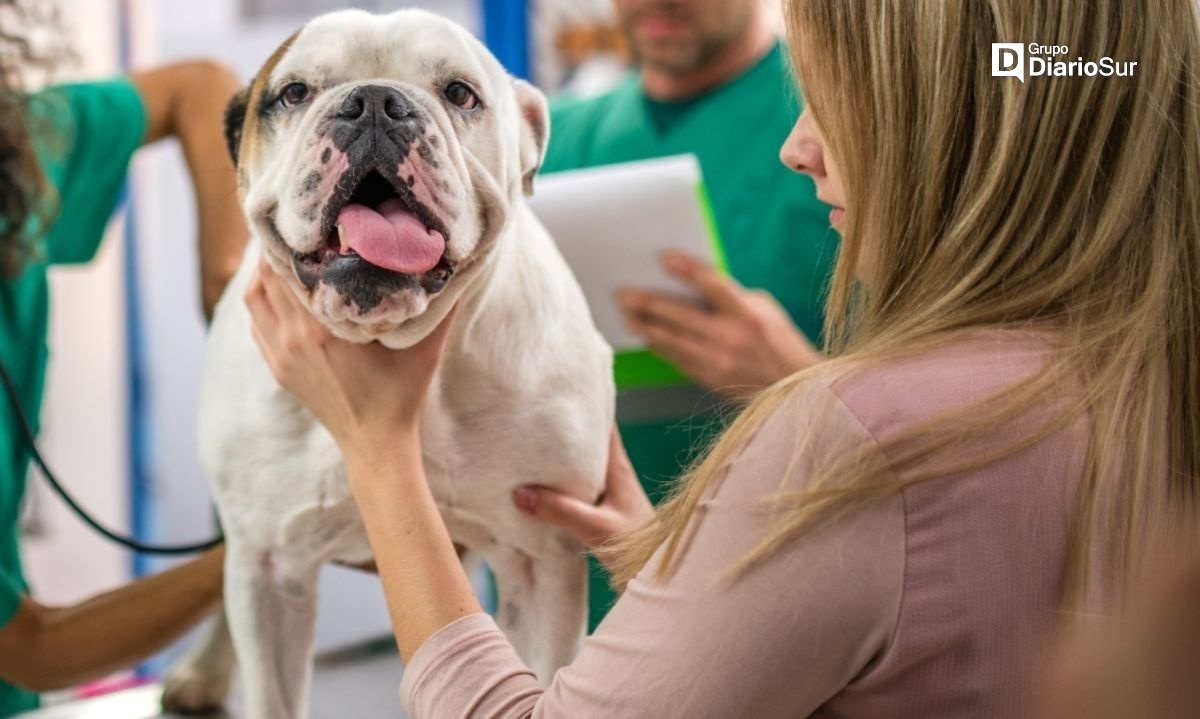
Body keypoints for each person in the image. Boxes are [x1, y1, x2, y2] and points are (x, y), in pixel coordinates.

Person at [246, 0, 1199, 716]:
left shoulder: (855, 435)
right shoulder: (1148, 374)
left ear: (966, 134)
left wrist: (380, 448)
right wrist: (677, 545)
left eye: (839, 105)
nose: (798, 147)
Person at [538, 0, 836, 630]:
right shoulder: (546, 139)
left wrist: (794, 386)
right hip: (558, 593)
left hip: (767, 598)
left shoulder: (836, 136)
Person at [0, 3, 245, 713]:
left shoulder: (23, 152)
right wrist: (265, 550)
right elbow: (31, 646)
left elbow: (200, 88)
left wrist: (224, 284)